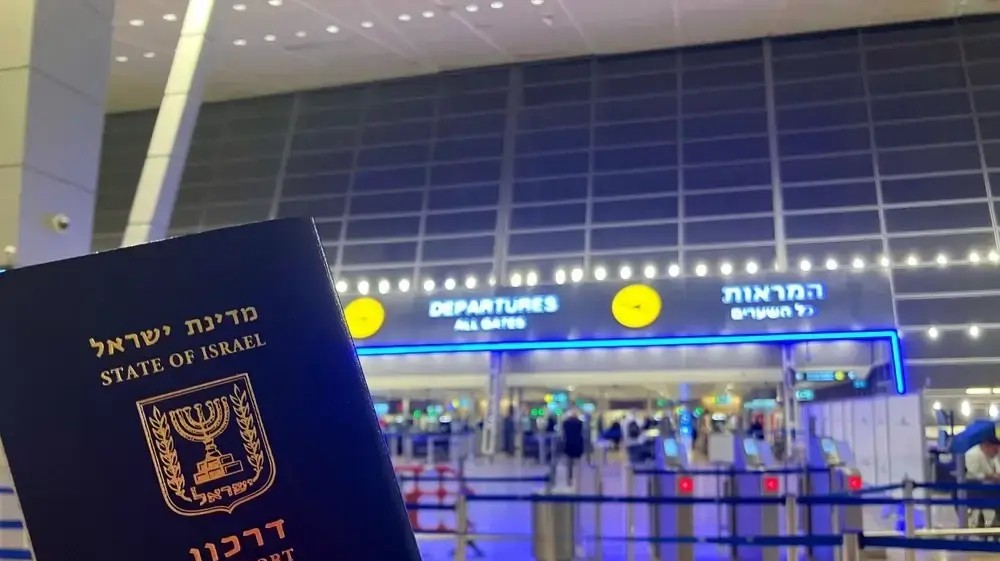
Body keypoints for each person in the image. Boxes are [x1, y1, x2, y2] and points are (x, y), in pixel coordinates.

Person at [965, 433, 1000, 528]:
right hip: (975, 490)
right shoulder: (972, 455)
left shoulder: (992, 455)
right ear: (986, 446)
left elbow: (997, 470)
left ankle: (996, 524)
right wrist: (991, 477)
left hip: (991, 488)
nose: (996, 453)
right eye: (995, 450)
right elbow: (973, 475)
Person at [561, 408, 585, 486]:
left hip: (569, 445)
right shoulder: (580, 423)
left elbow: (563, 434)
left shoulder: (566, 423)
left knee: (569, 465)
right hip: (578, 445)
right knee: (578, 464)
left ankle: (569, 480)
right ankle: (578, 480)